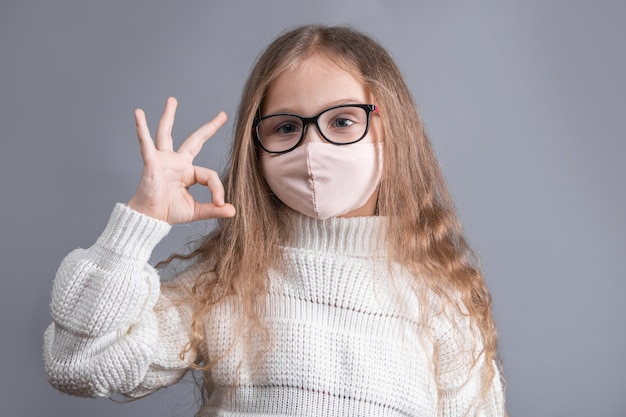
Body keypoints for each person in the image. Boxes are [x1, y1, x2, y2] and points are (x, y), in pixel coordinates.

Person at [44, 24, 507, 416]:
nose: (311, 150)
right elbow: (78, 364)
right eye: (286, 127)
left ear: (391, 127)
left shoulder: (442, 300)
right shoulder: (228, 280)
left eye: (343, 121)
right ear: (256, 147)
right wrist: (141, 219)